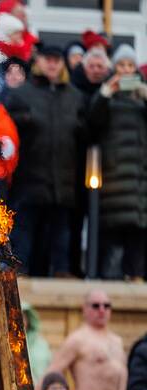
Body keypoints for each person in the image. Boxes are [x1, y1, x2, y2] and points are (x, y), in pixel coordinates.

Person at [3, 44, 85, 277]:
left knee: (61, 229)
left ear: (62, 64)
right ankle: (19, 272)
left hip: (63, 177)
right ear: (38, 62)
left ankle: (61, 271)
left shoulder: (74, 97)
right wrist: (25, 120)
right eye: (48, 59)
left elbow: (85, 132)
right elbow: (9, 128)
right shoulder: (21, 94)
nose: (52, 64)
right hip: (29, 176)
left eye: (57, 60)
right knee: (24, 228)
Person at [87, 44, 147, 281]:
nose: (126, 70)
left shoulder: (142, 101)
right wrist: (104, 94)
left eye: (130, 65)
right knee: (112, 234)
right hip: (114, 179)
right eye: (121, 65)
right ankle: (108, 279)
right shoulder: (106, 97)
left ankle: (136, 276)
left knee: (138, 236)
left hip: (140, 181)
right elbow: (92, 125)